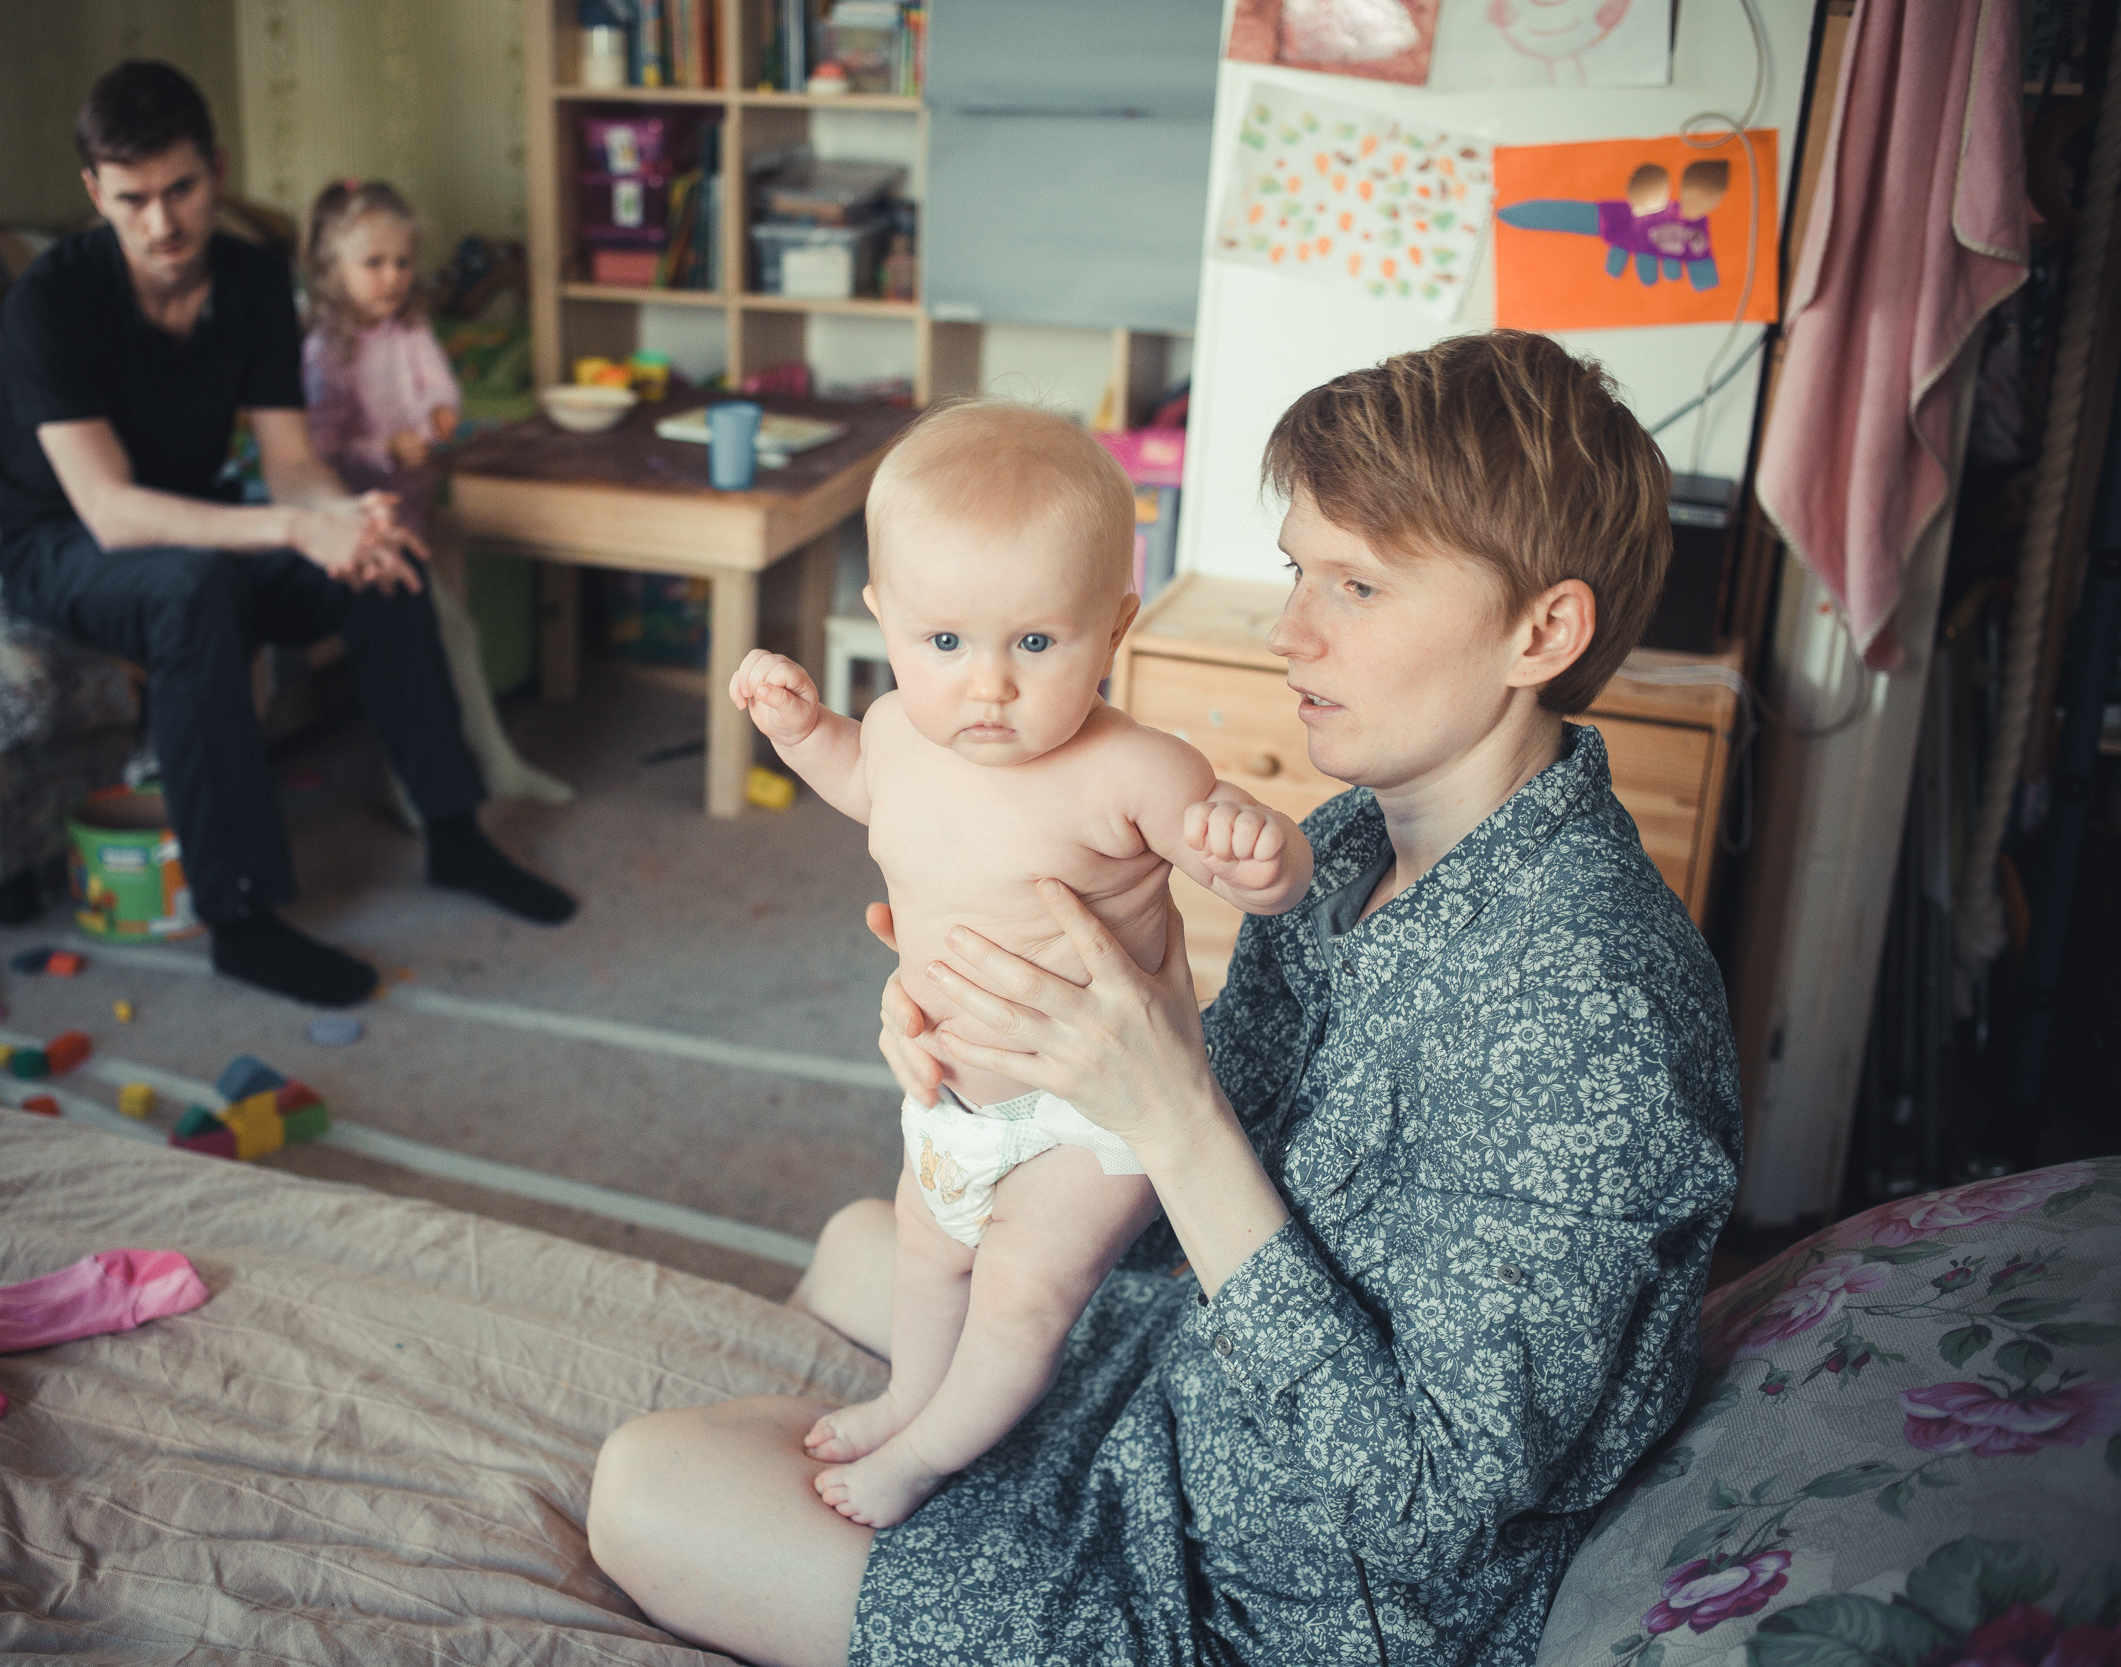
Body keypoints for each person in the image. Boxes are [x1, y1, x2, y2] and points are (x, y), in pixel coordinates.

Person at [588, 331, 1744, 1667]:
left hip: (1265, 1587)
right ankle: (952, 1408)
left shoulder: (1597, 1012)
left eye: (1358, 585)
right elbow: (1232, 1135)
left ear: (1542, 630)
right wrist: (996, 1038)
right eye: (1301, 569)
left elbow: (1425, 1502)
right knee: (873, 1241)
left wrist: (1165, 1106)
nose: (1289, 629)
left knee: (647, 1486)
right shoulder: (1357, 841)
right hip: (1195, 1364)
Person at [725, 401, 1314, 1530]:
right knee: (925, 1248)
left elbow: (1258, 875)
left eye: (1035, 644)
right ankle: (909, 1395)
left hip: (1093, 1118)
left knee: (1019, 1289)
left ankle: (928, 1453)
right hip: (953, 1096)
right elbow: (858, 780)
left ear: (1114, 625)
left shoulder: (1135, 769)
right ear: (884, 617)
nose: (986, 685)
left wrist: (1263, 851)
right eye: (944, 643)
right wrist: (801, 732)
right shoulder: (896, 729)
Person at [0, 61, 575, 1012]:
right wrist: (297, 525)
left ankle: (456, 835)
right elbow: (111, 511)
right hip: (66, 547)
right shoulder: (50, 301)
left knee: (383, 558)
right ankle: (242, 916)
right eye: (132, 199)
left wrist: (346, 521)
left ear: (217, 170)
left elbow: (292, 459)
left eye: (182, 189)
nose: (162, 222)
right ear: (95, 193)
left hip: (201, 517)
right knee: (195, 589)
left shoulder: (253, 277)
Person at [299, 178, 572, 807]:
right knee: (419, 647)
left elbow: (441, 387)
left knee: (452, 635)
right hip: (365, 527)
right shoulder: (325, 351)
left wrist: (443, 413)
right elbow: (319, 449)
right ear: (331, 268)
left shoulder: (410, 328)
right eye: (374, 263)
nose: (393, 277)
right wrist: (384, 449)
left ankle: (493, 763)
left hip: (416, 511)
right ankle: (422, 785)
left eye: (403, 262)